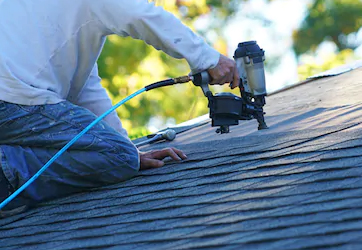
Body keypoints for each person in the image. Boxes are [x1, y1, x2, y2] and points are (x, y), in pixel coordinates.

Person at [0, 0, 239, 217]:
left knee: (122, 154)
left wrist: (129, 149)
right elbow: (138, 15)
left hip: (12, 97)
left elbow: (84, 88)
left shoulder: (62, 23)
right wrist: (209, 58)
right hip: (11, 97)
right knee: (119, 157)